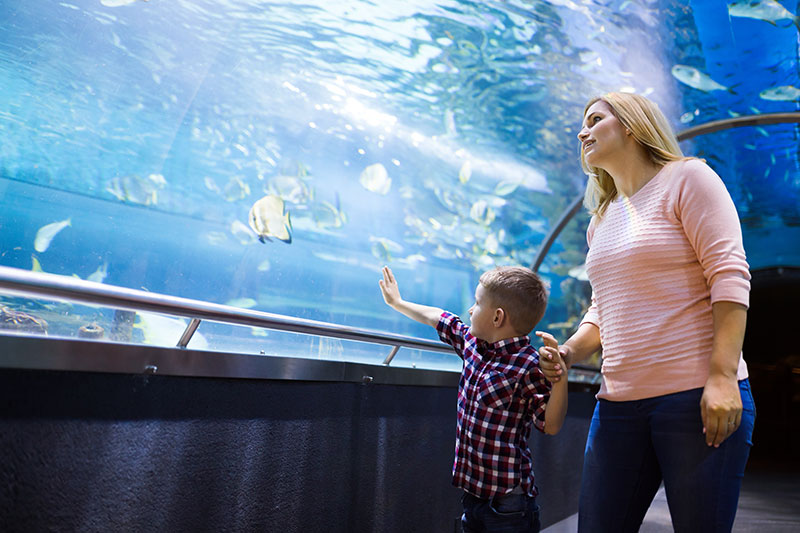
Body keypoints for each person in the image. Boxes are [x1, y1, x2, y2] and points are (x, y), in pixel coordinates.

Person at [539, 92, 755, 533]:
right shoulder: (600, 220)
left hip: (694, 397)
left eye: (594, 119)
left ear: (632, 125)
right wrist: (569, 352)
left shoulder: (688, 179)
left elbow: (729, 278)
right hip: (616, 404)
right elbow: (605, 305)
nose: (582, 132)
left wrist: (721, 376)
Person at [379, 265, 567, 533]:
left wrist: (560, 380)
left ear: (497, 317)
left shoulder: (528, 365)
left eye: (477, 303)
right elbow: (439, 317)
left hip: (508, 504)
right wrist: (397, 302)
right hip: (472, 494)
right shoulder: (472, 343)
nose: (470, 309)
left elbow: (551, 424)